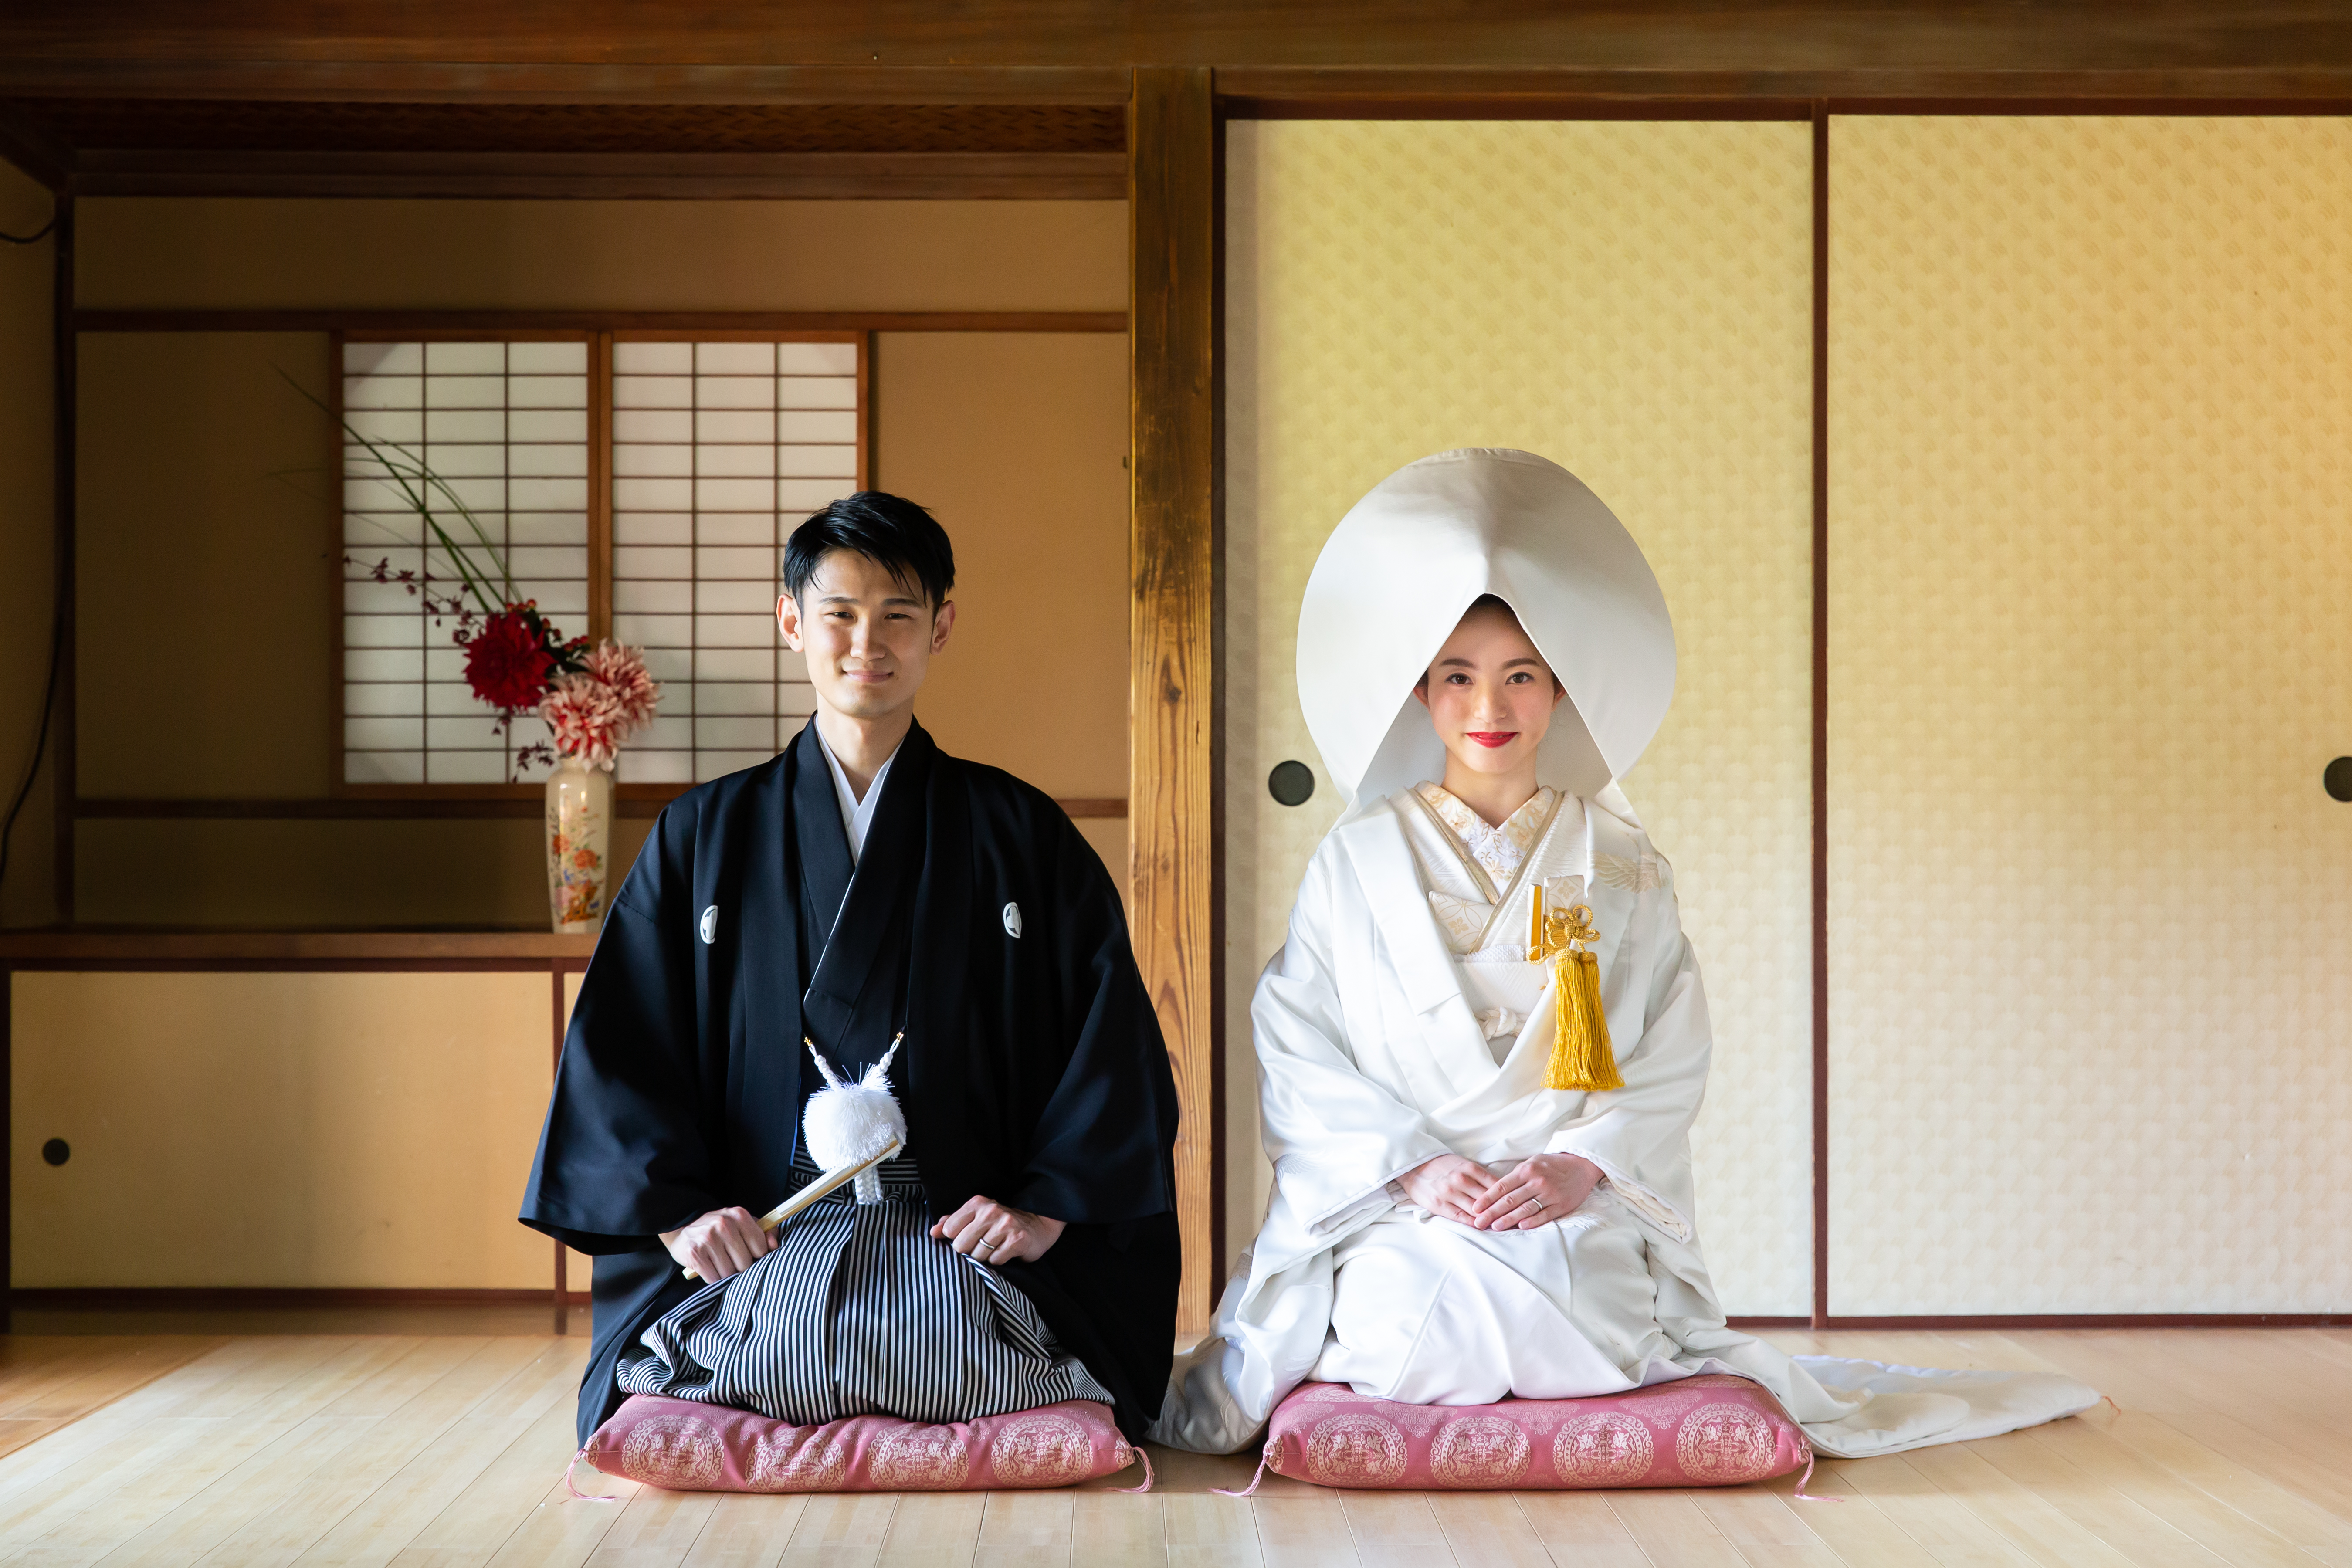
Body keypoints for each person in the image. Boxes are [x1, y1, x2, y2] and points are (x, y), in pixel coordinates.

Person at [1152, 448, 2095, 1459]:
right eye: (1458, 679)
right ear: (1419, 694)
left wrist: (1575, 1168)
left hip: (1565, 1201)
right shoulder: (1355, 860)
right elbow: (1298, 1042)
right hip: (1403, 1205)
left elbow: (1667, 1045)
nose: (1490, 710)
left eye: (1521, 677)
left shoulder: (1620, 864)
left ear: (1559, 691)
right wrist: (1415, 1170)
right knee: (1407, 1316)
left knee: (1576, 1304)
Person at [522, 491, 1182, 1449]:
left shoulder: (1018, 831)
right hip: (764, 1227)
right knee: (791, 1340)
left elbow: (1109, 1040)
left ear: (941, 629)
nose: (865, 642)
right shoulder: (703, 834)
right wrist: (678, 1220)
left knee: (926, 1345)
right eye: (838, 613)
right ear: (791, 621)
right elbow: (621, 1048)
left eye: (898, 616)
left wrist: (1042, 1207)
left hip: (954, 1230)